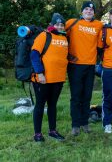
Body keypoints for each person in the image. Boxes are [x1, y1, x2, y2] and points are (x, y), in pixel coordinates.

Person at [66, 1, 103, 135]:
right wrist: (68, 55)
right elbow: (58, 34)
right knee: (76, 96)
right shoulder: (72, 23)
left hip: (90, 65)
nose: (89, 11)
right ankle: (75, 125)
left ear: (94, 12)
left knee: (87, 96)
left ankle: (84, 123)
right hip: (75, 66)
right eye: (86, 9)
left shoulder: (99, 25)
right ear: (82, 11)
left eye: (91, 10)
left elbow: (111, 30)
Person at [31, 13, 68, 142]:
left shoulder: (64, 39)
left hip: (58, 79)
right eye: (57, 24)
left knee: (52, 105)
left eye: (62, 25)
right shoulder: (44, 36)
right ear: (52, 24)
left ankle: (52, 131)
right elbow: (34, 55)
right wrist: (39, 73)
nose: (59, 26)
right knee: (40, 105)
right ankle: (37, 134)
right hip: (43, 79)